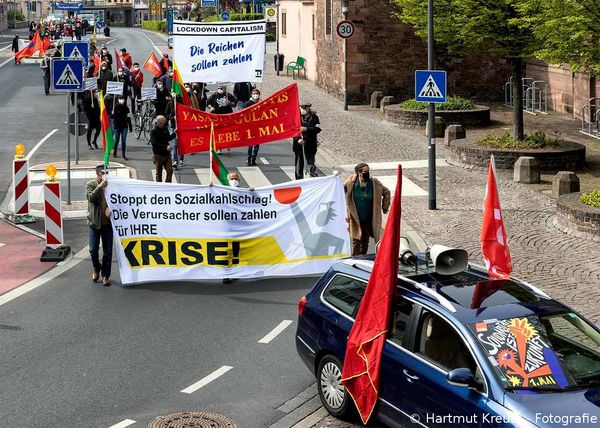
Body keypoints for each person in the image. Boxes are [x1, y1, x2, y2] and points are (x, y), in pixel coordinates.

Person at [344, 163, 391, 256]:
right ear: (358, 172)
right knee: (356, 240)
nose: (368, 173)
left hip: (369, 217)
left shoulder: (374, 183)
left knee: (365, 240)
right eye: (365, 172)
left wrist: (385, 206)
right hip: (355, 217)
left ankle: (363, 258)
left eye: (368, 171)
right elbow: (338, 189)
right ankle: (354, 259)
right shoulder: (350, 183)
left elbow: (386, 192)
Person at [86, 165, 114, 286]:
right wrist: (100, 187)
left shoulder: (112, 185)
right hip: (94, 224)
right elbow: (90, 197)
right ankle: (96, 268)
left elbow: (117, 200)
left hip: (108, 224)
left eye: (107, 173)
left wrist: (111, 209)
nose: (105, 175)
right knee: (93, 249)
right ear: (98, 173)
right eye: (103, 173)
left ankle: (105, 275)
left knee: (107, 251)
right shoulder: (91, 184)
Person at [293, 102, 321, 179]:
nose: (303, 110)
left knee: (310, 162)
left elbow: (317, 129)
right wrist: (298, 139)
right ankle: (299, 180)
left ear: (308, 108)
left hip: (310, 144)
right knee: (299, 163)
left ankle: (313, 178)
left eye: (305, 108)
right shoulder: (296, 117)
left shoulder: (315, 118)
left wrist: (307, 129)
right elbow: (293, 130)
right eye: (301, 108)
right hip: (299, 145)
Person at [150, 115, 176, 182]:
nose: (165, 122)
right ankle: (159, 187)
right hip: (158, 155)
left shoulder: (165, 128)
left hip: (167, 155)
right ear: (159, 122)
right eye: (164, 121)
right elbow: (154, 143)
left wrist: (174, 134)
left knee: (170, 171)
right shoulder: (153, 131)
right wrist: (165, 146)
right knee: (159, 173)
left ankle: (167, 184)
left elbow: (168, 138)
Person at [112, 95, 132, 160]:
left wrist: (130, 126)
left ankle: (123, 155)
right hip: (117, 126)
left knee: (124, 141)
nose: (122, 100)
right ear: (118, 99)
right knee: (116, 140)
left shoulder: (126, 108)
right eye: (120, 99)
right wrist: (113, 114)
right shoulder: (115, 107)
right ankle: (115, 152)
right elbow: (113, 118)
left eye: (123, 99)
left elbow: (128, 117)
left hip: (124, 126)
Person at [245, 88, 261, 165]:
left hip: (258, 126)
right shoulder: (248, 103)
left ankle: (254, 159)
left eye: (257, 94)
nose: (255, 95)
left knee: (257, 144)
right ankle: (249, 159)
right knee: (250, 144)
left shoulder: (261, 103)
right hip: (250, 126)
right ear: (251, 94)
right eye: (254, 93)